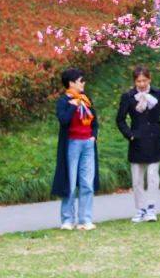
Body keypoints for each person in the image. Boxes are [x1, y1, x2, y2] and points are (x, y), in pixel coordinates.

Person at [115, 65, 160, 223]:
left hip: (155, 139)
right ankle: (140, 209)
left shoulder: (158, 93)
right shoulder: (128, 96)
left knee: (153, 176)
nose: (141, 84)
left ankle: (151, 208)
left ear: (149, 79)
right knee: (137, 179)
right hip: (138, 140)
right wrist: (130, 135)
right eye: (138, 81)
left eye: (144, 80)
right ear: (134, 81)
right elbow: (120, 119)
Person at [51, 67, 99, 231]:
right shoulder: (63, 101)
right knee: (69, 183)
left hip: (87, 143)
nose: (83, 83)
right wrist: (72, 106)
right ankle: (67, 219)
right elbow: (63, 120)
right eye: (80, 80)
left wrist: (93, 135)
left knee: (87, 182)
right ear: (71, 83)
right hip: (71, 144)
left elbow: (94, 121)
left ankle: (85, 219)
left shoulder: (86, 99)